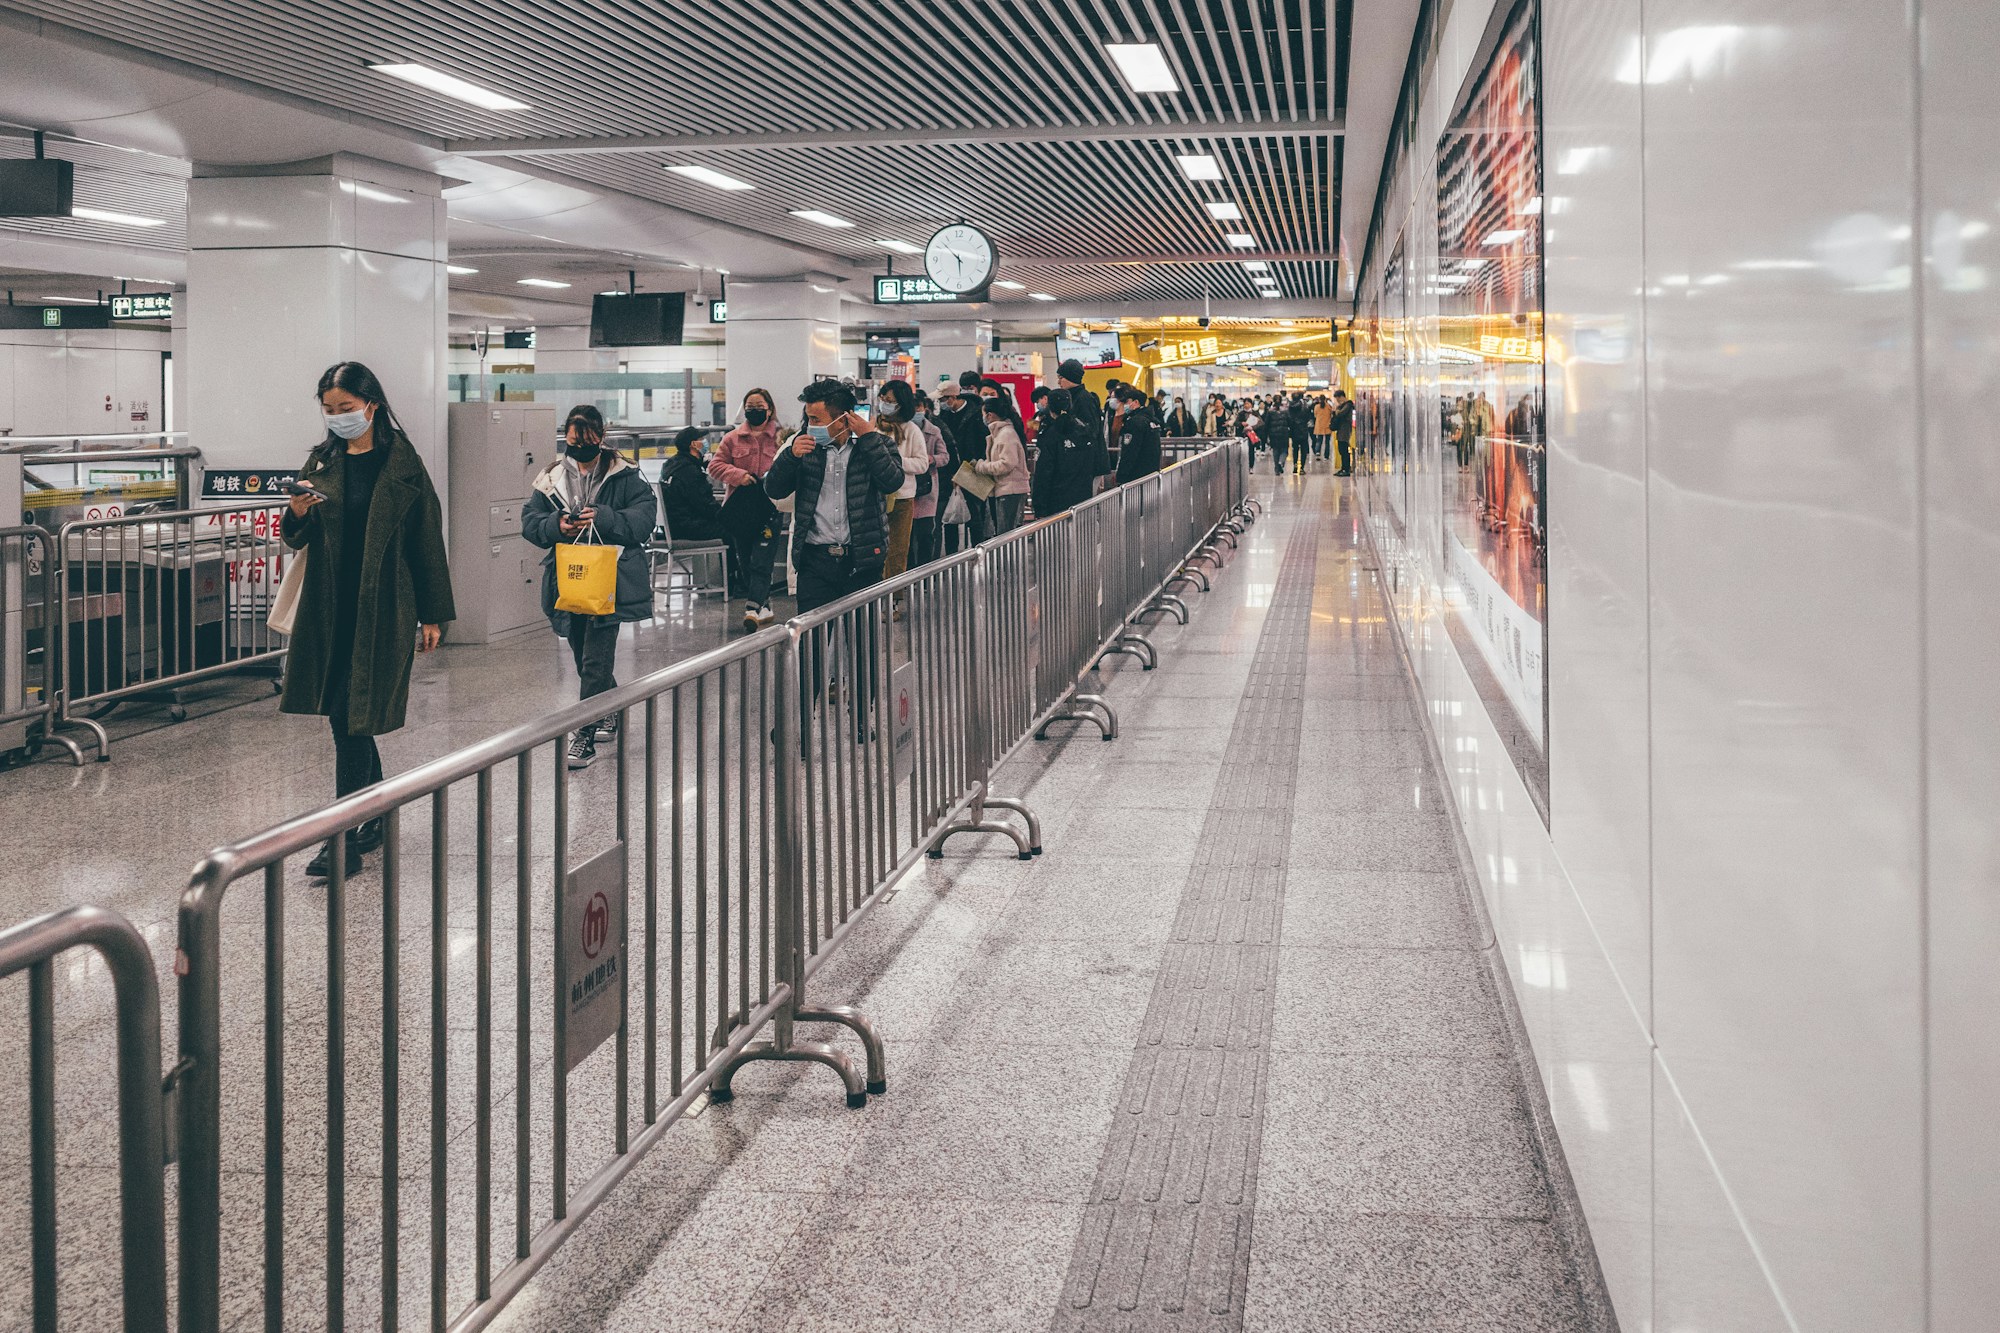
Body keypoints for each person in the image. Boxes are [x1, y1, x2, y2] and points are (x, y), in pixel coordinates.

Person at [279, 361, 455, 879]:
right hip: (329, 607)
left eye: (346, 408)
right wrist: (298, 511)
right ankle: (372, 813)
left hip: (384, 607)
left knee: (350, 716)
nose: (337, 417)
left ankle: (341, 839)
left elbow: (426, 540)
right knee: (346, 716)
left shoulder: (403, 464)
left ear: (371, 405)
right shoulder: (322, 461)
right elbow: (296, 537)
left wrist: (433, 614)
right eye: (329, 409)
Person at [523, 405, 660, 771]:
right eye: (573, 441)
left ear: (602, 438)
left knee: (595, 660)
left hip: (609, 579)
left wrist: (605, 517)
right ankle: (609, 708)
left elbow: (644, 520)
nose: (579, 449)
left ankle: (584, 733)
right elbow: (530, 521)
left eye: (587, 441)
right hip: (568, 580)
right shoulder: (552, 477)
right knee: (582, 653)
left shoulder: (625, 475)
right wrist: (557, 524)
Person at [765, 378, 905, 613]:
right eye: (808, 418)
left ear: (842, 420)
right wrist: (790, 457)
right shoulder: (802, 446)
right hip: (814, 561)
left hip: (862, 560)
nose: (810, 425)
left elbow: (892, 482)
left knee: (863, 632)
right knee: (813, 633)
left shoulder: (877, 444)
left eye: (816, 420)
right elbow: (773, 489)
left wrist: (869, 439)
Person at [710, 387, 786, 630]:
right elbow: (715, 466)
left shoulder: (781, 437)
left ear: (769, 409)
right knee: (744, 560)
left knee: (762, 560)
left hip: (769, 508)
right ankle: (764, 603)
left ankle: (752, 608)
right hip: (740, 508)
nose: (754, 411)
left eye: (759, 407)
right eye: (750, 407)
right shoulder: (732, 439)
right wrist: (738, 475)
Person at [875, 379, 932, 579]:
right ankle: (876, 594)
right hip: (875, 497)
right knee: (876, 552)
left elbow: (922, 464)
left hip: (901, 498)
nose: (884, 404)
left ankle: (895, 594)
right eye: (883, 399)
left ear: (901, 404)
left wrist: (895, 461)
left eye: (890, 401)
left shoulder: (911, 430)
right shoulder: (874, 427)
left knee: (897, 552)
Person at [1029, 387, 1096, 517]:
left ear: (1050, 407)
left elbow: (1044, 471)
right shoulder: (1083, 430)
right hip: (1082, 498)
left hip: (1056, 500)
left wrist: (1039, 506)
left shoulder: (1049, 434)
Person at [939, 376, 990, 546]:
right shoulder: (944, 415)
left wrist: (974, 464)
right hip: (950, 470)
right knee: (950, 516)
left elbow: (983, 442)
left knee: (975, 516)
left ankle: (978, 551)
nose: (940, 403)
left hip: (972, 469)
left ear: (952, 398)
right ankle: (951, 556)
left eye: (942, 399)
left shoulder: (976, 414)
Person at [909, 391, 952, 567]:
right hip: (907, 487)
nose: (916, 411)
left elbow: (945, 457)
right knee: (908, 537)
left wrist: (932, 459)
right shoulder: (902, 430)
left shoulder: (934, 431)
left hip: (927, 489)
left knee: (926, 534)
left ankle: (926, 572)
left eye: (918, 407)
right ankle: (909, 573)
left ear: (925, 408)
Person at [658, 425, 723, 542]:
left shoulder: (670, 465)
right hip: (688, 528)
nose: (705, 442)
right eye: (701, 439)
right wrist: (726, 515)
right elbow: (705, 505)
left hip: (670, 526)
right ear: (693, 444)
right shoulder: (689, 471)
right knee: (734, 530)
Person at [976, 394, 1031, 531]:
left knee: (1007, 533)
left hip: (1011, 490)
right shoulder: (1000, 433)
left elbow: (1007, 463)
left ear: (989, 415)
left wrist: (982, 466)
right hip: (1005, 489)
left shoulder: (1006, 434)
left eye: (983, 414)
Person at [1057, 358, 1107, 482]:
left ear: (1070, 378)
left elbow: (1090, 430)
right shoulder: (1074, 398)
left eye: (1061, 378)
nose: (1058, 382)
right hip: (1082, 462)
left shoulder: (1084, 399)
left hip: (1089, 463)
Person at [1114, 384, 1163, 483]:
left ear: (1136, 402)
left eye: (1126, 402)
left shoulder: (1134, 423)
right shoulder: (1151, 420)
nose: (1124, 405)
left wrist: (1121, 476)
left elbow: (1129, 452)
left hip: (1136, 475)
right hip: (1151, 473)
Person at [1332, 389, 1356, 475]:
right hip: (1341, 429)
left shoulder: (1348, 404)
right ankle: (1344, 468)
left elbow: (1340, 413)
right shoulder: (1343, 405)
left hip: (1345, 429)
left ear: (1342, 397)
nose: (1337, 401)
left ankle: (1346, 469)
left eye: (1338, 398)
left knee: (1344, 450)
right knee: (1341, 449)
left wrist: (1336, 411)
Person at [1313, 394, 1334, 460]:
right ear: (1325, 399)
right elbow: (1331, 414)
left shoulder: (1316, 406)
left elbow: (1315, 415)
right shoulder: (1328, 406)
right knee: (1327, 442)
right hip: (1327, 425)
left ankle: (1317, 452)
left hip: (1319, 425)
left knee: (1319, 440)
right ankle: (1326, 456)